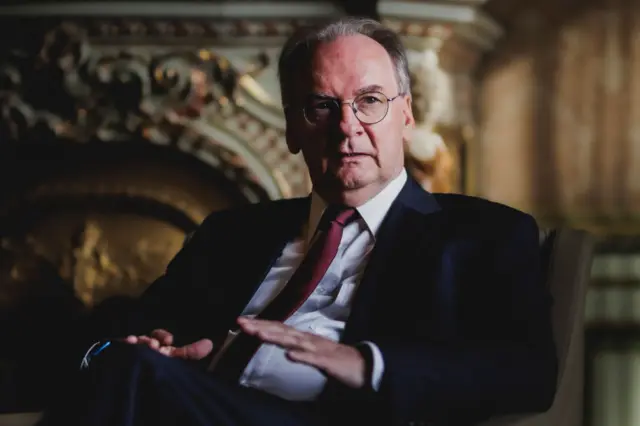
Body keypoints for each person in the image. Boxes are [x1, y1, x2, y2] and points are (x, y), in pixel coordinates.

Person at [39, 16, 558, 426]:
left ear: (406, 115)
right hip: (202, 404)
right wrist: (144, 345)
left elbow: (527, 372)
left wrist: (367, 364)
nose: (347, 127)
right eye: (321, 107)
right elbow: (126, 329)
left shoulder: (482, 234)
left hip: (345, 416)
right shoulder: (231, 233)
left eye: (370, 101)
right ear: (292, 128)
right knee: (130, 367)